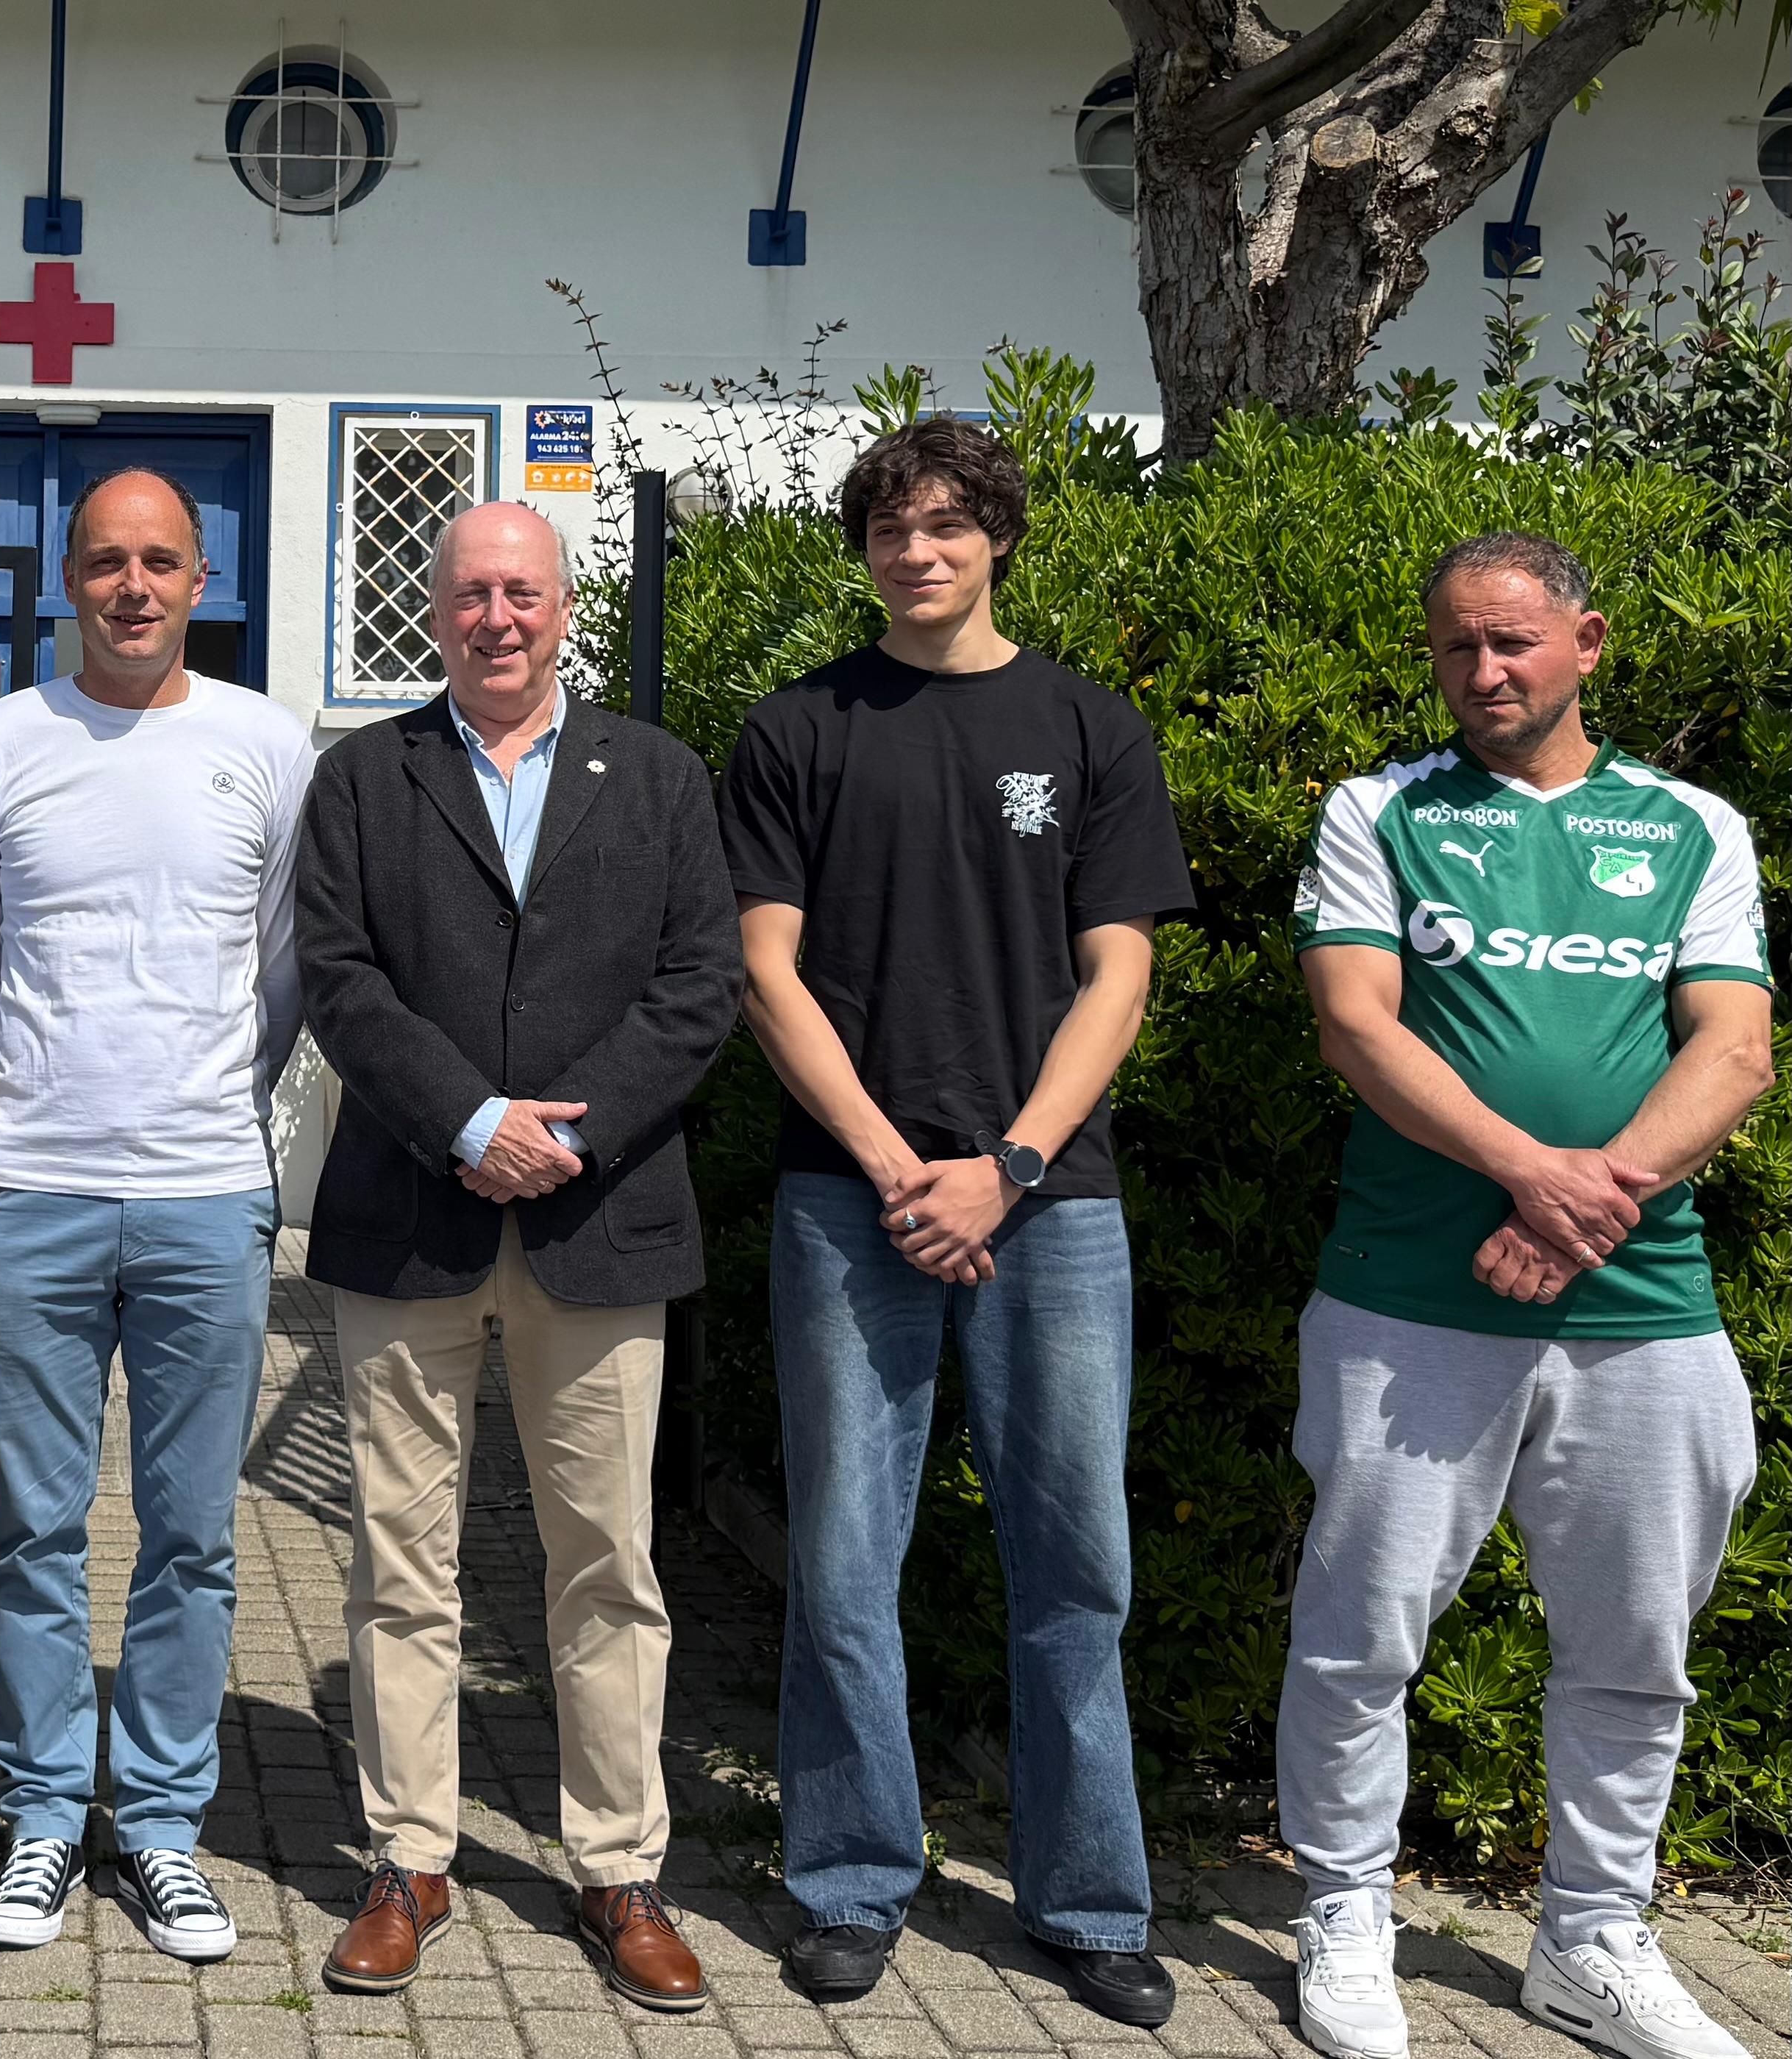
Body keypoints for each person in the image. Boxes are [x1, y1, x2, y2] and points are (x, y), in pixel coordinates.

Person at [718, 419, 1194, 2024]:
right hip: (845, 1203)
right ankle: (848, 1878)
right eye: (886, 529)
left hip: (1051, 1208)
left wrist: (1007, 1159)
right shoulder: (794, 729)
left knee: (1074, 1561)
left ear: (996, 537)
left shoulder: (1085, 724)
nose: (914, 552)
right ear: (858, 548)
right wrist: (889, 1162)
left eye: (943, 526)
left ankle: (1088, 1900)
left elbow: (1116, 969)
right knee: (845, 1559)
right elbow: (761, 968)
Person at [1280, 533, 1771, 2059]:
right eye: (1451, 649)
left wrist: (1580, 1206)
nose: (1481, 673)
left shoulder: (1690, 825)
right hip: (1403, 1299)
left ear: (1586, 641)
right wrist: (1531, 1174)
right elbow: (1357, 1026)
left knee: (1634, 1648)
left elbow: (1733, 1050)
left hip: (1646, 1311)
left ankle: (1590, 1938)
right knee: (1357, 1634)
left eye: (1508, 644)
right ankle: (1343, 1910)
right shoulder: (1380, 811)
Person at [296, 502, 741, 2008]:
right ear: (436, 611)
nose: (497, 616)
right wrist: (467, 1117)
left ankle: (617, 1865)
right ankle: (405, 1856)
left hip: (594, 1217)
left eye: (522, 593)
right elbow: (337, 976)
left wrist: (573, 1127)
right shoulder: (364, 774)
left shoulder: (661, 775)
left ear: (565, 610)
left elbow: (700, 982)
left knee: (607, 1561)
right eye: (472, 592)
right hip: (410, 1209)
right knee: (398, 1559)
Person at [0, 467, 313, 1962]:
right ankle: (42, 1808)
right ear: (64, 577)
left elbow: (282, 968)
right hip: (31, 1189)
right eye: (106, 560)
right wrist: (20, 1108)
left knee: (190, 1533)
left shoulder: (265, 743)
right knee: (31, 1526)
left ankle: (158, 1820)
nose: (134, 586)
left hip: (202, 1189)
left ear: (204, 576)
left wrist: (212, 1105)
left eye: (161, 560)